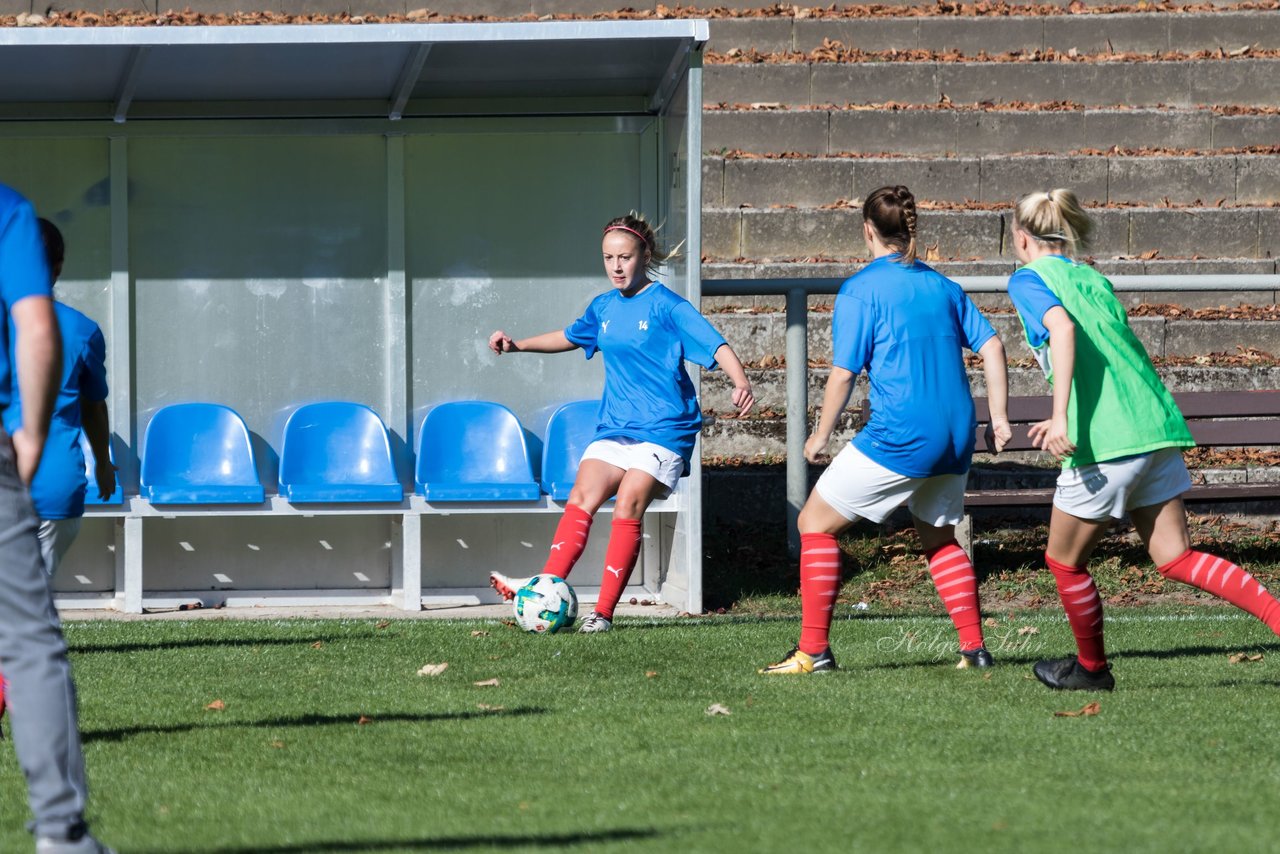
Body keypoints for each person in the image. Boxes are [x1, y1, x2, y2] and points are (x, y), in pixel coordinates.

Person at [1006, 188, 1280, 692]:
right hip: (1151, 427)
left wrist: (1060, 416)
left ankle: (1091, 671)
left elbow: (1061, 330)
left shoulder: (1027, 278)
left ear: (1020, 238)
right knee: (1177, 557)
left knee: (1063, 562)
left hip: (1107, 438)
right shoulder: (1091, 277)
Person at [760, 185, 1012, 675]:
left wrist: (819, 436)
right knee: (939, 536)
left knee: (813, 523)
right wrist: (998, 418)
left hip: (904, 433)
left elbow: (843, 374)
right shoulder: (943, 286)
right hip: (957, 436)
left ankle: (812, 651)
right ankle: (975, 650)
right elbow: (994, 346)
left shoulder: (861, 289)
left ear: (867, 230)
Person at [486, 212, 755, 632]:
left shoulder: (668, 305)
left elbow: (714, 343)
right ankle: (544, 587)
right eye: (608, 257)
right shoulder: (604, 306)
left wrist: (740, 381)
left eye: (624, 257)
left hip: (665, 428)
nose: (615, 266)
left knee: (628, 503)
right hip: (616, 427)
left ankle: (604, 614)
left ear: (644, 255)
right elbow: (569, 337)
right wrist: (517, 345)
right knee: (582, 495)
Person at [0, 185, 113, 852]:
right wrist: (38, 441)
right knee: (28, 632)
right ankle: (62, 835)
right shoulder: (9, 213)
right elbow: (41, 336)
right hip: (42, 481)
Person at [2, 218, 114, 577]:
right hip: (54, 486)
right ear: (58, 269)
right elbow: (93, 407)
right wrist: (102, 462)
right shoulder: (83, 330)